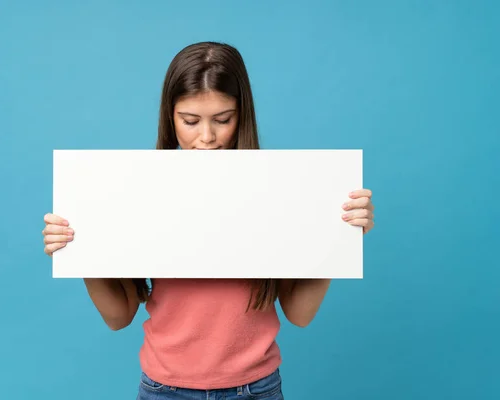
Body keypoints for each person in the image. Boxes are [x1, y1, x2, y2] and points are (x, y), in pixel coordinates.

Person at [42, 41, 375, 400]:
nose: (207, 138)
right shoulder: (139, 188)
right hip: (164, 388)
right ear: (170, 117)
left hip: (256, 389)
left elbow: (299, 313)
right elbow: (118, 316)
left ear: (241, 115)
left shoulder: (276, 189)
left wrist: (338, 235)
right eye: (190, 121)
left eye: (222, 120)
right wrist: (79, 248)